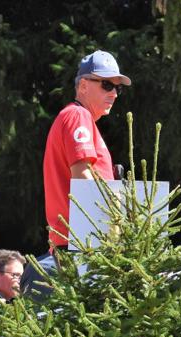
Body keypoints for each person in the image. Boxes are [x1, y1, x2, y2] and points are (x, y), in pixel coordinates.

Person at [43, 50, 130, 249]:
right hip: (84, 241)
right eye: (107, 85)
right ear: (83, 86)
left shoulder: (76, 117)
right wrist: (109, 232)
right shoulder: (77, 115)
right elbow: (83, 179)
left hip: (78, 239)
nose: (114, 93)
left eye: (117, 88)